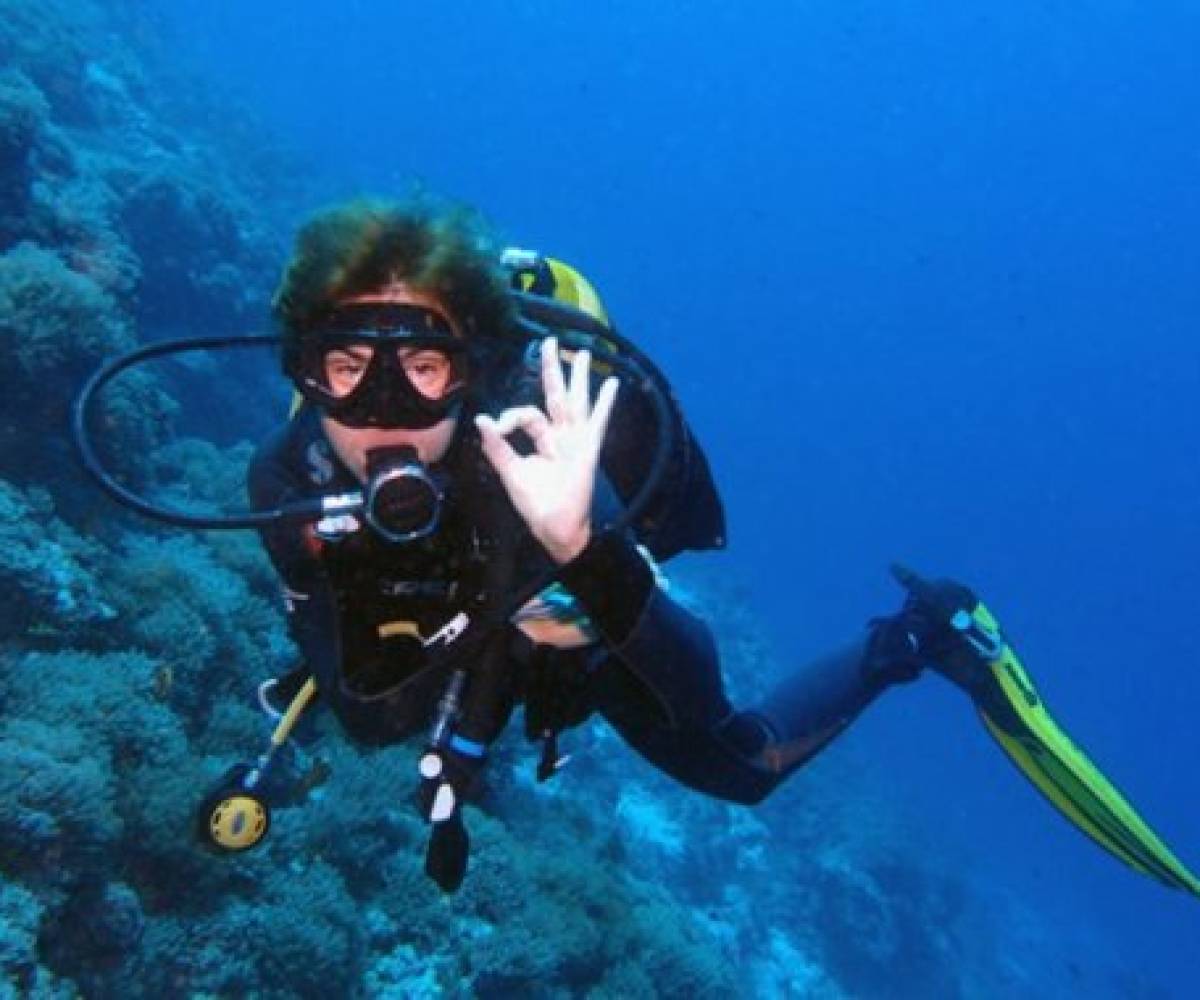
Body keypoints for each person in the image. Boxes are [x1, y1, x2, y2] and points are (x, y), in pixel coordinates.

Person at [241, 195, 1199, 895]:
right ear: (303, 372)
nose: (383, 416)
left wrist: (583, 546)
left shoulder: (541, 459)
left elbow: (698, 688)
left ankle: (922, 634)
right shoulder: (288, 484)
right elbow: (370, 718)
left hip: (573, 594)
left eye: (422, 366)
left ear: (472, 373)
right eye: (345, 367)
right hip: (475, 631)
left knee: (743, 773)